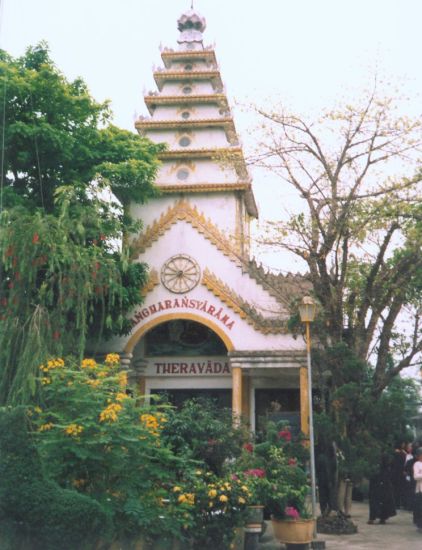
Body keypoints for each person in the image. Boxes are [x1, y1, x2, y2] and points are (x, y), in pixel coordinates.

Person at [368, 454, 396, 524]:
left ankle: (374, 518)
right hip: (384, 487)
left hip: (379, 486)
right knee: (383, 502)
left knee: (376, 502)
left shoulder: (381, 467)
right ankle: (382, 518)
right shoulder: (387, 468)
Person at [413, 447, 422, 532]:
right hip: (420, 489)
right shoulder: (416, 464)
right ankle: (420, 525)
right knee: (420, 508)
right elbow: (416, 476)